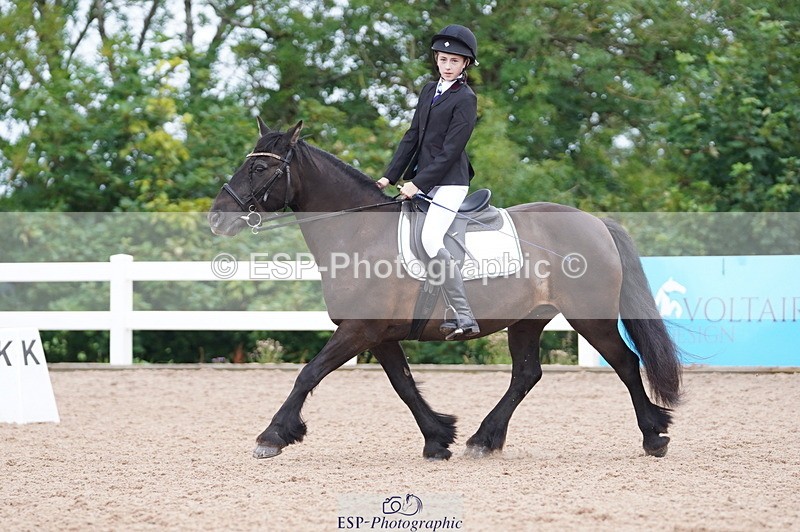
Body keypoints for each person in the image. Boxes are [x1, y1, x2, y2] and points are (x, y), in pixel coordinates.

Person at [376, 24, 480, 340]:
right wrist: (389, 175)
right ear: (436, 58)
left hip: (450, 183)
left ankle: (464, 314)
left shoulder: (466, 98)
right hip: (424, 181)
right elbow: (412, 137)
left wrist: (417, 184)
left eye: (454, 61)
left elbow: (451, 151)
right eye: (443, 59)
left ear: (465, 64)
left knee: (431, 239)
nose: (447, 66)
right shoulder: (428, 90)